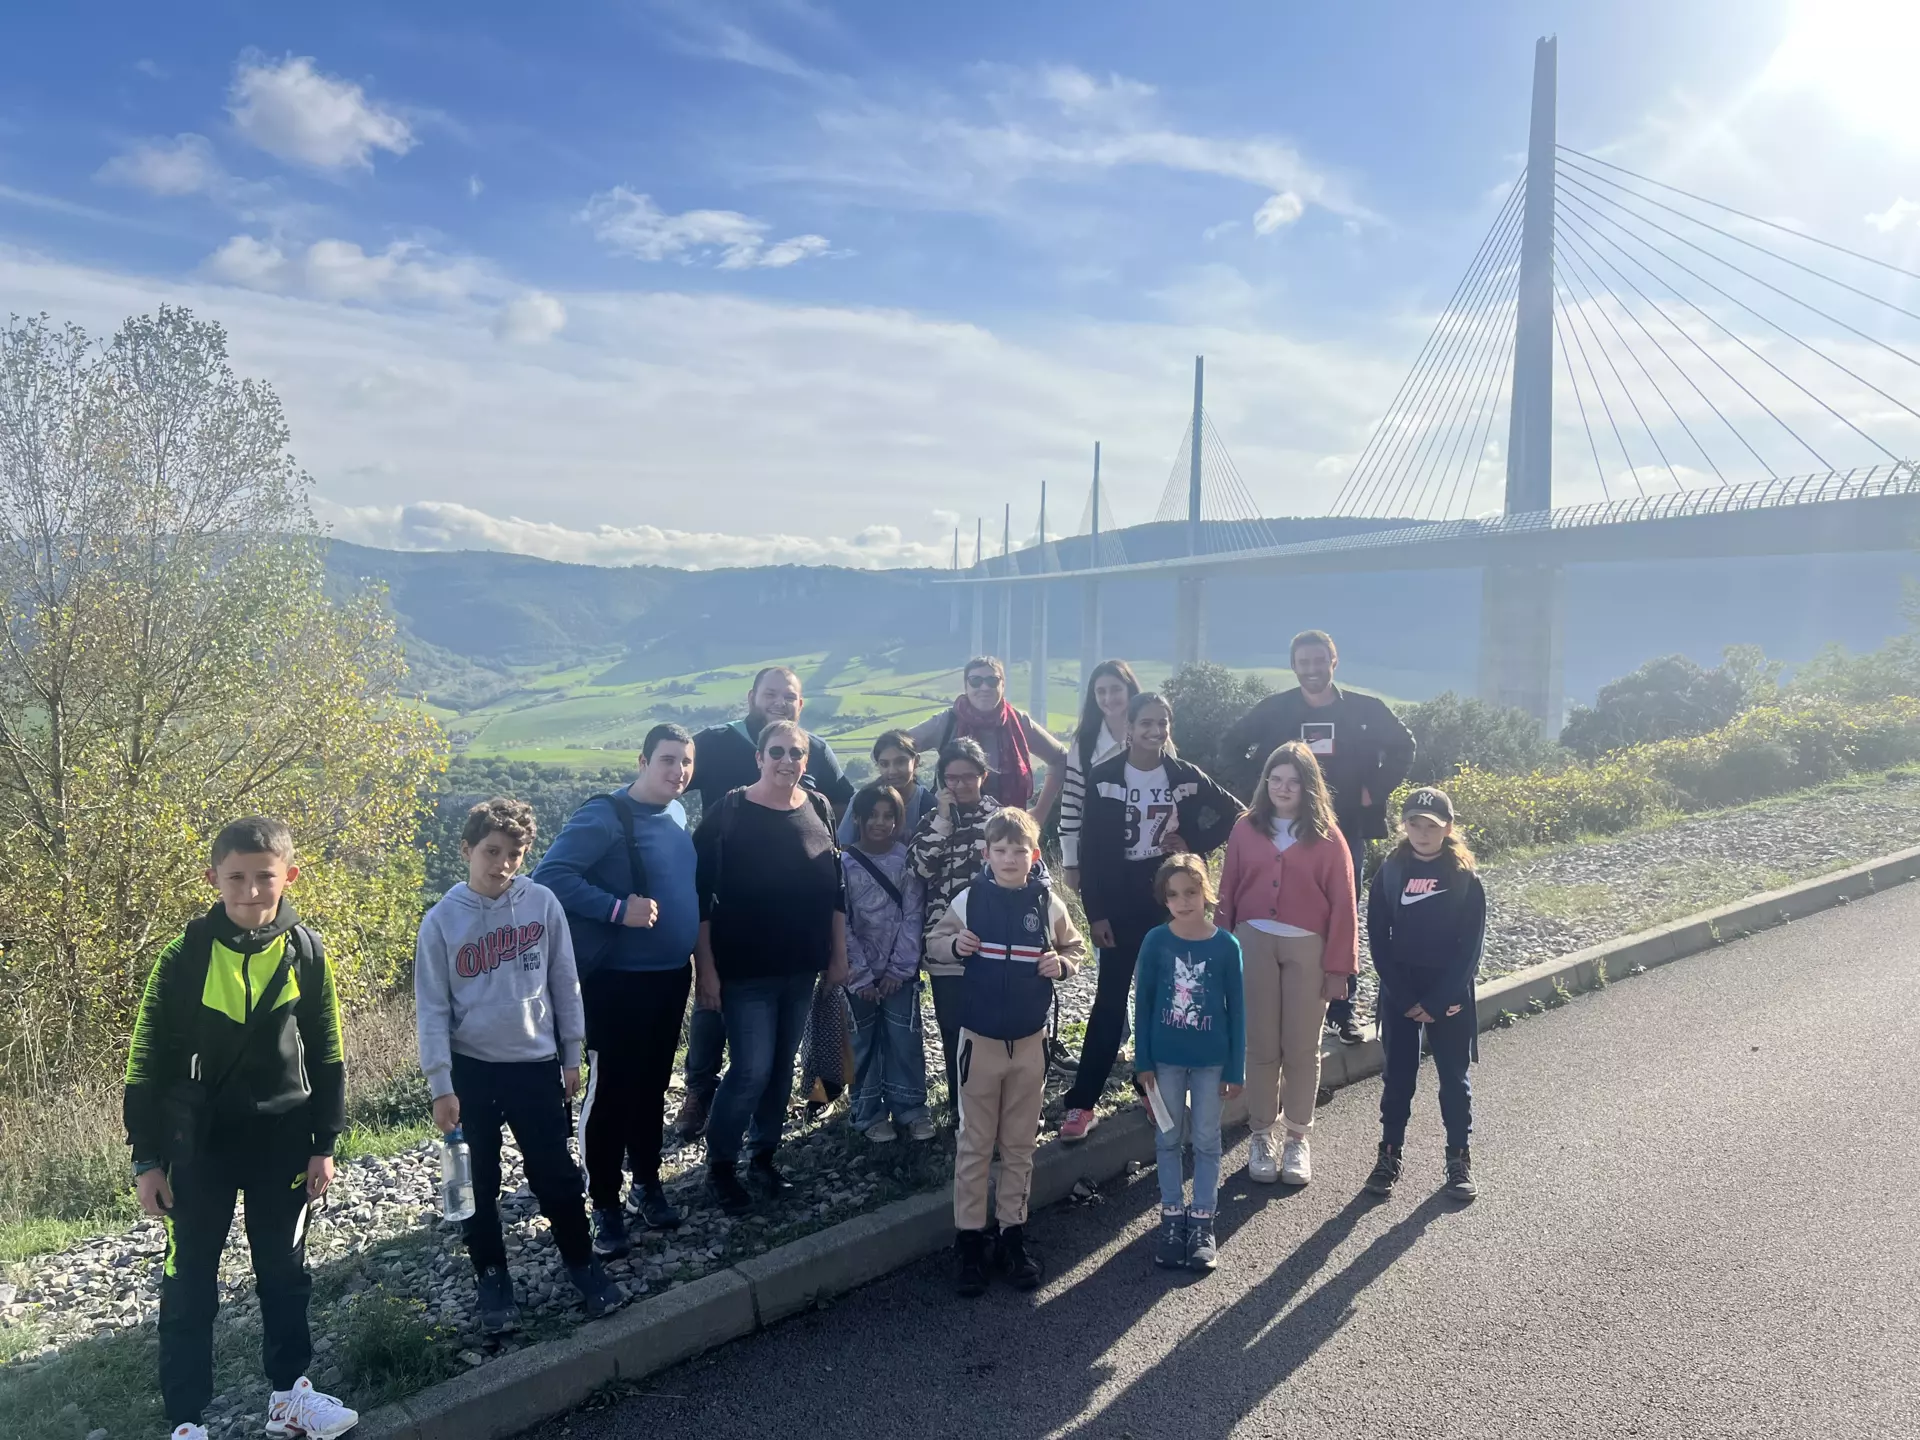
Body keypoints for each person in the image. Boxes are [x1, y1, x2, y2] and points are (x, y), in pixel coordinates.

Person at [123, 817, 359, 1440]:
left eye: (264, 877)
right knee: (189, 1281)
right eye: (235, 878)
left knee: (284, 1271)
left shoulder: (307, 951)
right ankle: (186, 1422)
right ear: (213, 878)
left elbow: (329, 1054)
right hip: (198, 1148)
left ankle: (289, 1397)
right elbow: (145, 1061)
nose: (250, 891)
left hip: (284, 1142)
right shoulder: (183, 956)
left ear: (290, 876)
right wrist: (146, 1159)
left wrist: (325, 1145)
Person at [415, 798, 624, 1332]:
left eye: (514, 853)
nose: (502, 863)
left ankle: (582, 1262)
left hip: (535, 1063)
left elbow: (564, 981)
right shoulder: (441, 922)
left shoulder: (542, 904)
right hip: (472, 1069)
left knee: (555, 1174)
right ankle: (492, 1277)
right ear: (466, 849)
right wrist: (440, 1084)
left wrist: (571, 1052)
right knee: (477, 1183)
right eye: (491, 851)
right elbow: (432, 1008)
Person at [533, 723, 701, 1254]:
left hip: (670, 977)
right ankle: (604, 1203)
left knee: (652, 1085)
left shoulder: (676, 814)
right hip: (617, 983)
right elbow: (549, 876)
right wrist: (614, 908)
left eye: (686, 762)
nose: (678, 771)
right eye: (667, 760)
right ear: (642, 761)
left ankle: (646, 1185)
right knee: (610, 1091)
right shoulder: (605, 815)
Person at [678, 666, 856, 1142]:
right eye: (770, 694)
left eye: (789, 696)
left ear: (801, 704)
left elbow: (845, 805)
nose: (780, 702)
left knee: (773, 1063)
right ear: (751, 697)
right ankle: (700, 1093)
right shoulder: (716, 745)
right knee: (724, 1029)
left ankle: (761, 1153)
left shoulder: (815, 761)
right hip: (735, 930)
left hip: (796, 953)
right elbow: (671, 780)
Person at [1219, 630, 1415, 1045]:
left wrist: (1375, 790)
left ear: (1334, 662)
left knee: (1342, 913)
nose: (1312, 669)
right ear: (1293, 666)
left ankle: (1342, 1011)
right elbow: (1230, 746)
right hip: (1280, 832)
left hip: (1344, 831)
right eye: (1303, 662)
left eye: (1319, 661)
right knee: (1284, 915)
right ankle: (1279, 1000)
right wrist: (1259, 793)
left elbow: (1404, 745)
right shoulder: (1274, 710)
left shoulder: (1365, 709)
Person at [1061, 692, 1242, 1141]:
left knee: (1164, 1000)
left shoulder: (1183, 773)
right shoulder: (1105, 776)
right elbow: (1091, 852)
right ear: (1129, 727)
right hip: (1119, 903)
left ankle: (1152, 1090)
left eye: (1162, 723)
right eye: (1146, 723)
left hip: (1167, 898)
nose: (1155, 731)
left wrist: (1193, 842)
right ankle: (1082, 1104)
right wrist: (1096, 913)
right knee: (1110, 1002)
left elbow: (1234, 812)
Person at [925, 808, 1085, 1296]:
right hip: (980, 1042)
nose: (1010, 858)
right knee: (975, 1144)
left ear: (1034, 855)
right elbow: (934, 944)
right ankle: (970, 1241)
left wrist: (1062, 964)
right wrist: (956, 945)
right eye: (1001, 850)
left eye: (1020, 850)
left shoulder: (1047, 901)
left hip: (1031, 1043)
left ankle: (1012, 1235)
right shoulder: (970, 899)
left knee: (1019, 1143)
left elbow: (1075, 949)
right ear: (986, 853)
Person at [695, 719, 849, 1216]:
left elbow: (836, 892)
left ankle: (763, 1157)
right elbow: (700, 899)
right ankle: (721, 1166)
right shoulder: (729, 812)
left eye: (796, 753)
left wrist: (838, 955)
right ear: (759, 758)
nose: (787, 761)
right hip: (745, 971)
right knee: (751, 1070)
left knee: (781, 1069)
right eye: (776, 752)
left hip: (801, 969)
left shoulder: (819, 808)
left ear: (807, 760)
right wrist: (705, 968)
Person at [1215, 741, 1359, 1188]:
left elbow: (1344, 904)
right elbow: (1228, 889)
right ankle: (1261, 1134)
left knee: (1301, 1048)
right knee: (1260, 1046)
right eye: (1275, 779)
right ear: (1265, 782)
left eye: (1293, 781)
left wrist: (1339, 968)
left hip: (1308, 949)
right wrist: (1219, 951)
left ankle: (1297, 1136)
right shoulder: (1245, 828)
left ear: (1309, 786)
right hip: (1252, 943)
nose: (1283, 788)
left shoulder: (1329, 836)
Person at [1363, 786, 1487, 1204]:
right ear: (1404, 826)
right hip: (1401, 991)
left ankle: (1458, 1159)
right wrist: (1402, 996)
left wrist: (1439, 999)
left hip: (1448, 993)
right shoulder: (1390, 872)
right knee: (1399, 1077)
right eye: (1414, 823)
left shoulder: (1464, 878)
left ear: (1448, 828)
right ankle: (1389, 1154)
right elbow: (1378, 939)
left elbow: (1471, 947)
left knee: (1453, 1078)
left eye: (1431, 825)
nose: (1422, 832)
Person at [1134, 854, 1244, 1274]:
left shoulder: (1226, 945)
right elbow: (1143, 1004)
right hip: (1164, 1061)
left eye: (1191, 892)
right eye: (1174, 894)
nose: (1183, 901)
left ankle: (1202, 1221)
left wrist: (1235, 1068)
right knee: (1167, 1139)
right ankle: (1171, 1218)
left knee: (1206, 1140)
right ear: (1164, 899)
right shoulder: (1155, 941)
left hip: (1211, 1062)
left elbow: (1238, 1012)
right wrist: (1143, 1060)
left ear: (1206, 892)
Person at [906, 738, 1023, 1118]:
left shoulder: (1003, 821)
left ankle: (999, 1106)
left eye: (968, 777)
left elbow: (1024, 872)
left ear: (983, 776)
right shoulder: (931, 820)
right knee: (954, 1031)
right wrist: (943, 819)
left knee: (997, 1029)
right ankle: (962, 1110)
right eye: (951, 778)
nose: (959, 785)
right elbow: (918, 868)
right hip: (946, 946)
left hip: (996, 946)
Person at [842, 782, 934, 1142]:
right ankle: (867, 1113)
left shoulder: (906, 861)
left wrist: (899, 969)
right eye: (872, 815)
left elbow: (914, 915)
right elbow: (841, 923)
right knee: (861, 1043)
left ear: (898, 819)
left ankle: (911, 1108)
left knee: (904, 1040)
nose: (880, 823)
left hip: (900, 974)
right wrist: (859, 974)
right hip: (858, 976)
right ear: (858, 818)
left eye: (888, 815)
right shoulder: (843, 864)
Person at [905, 655, 1068, 818]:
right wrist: (914, 794)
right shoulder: (947, 721)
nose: (984, 687)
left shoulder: (1018, 722)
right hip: (952, 823)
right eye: (975, 681)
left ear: (1002, 685)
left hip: (1007, 827)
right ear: (966, 686)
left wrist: (1040, 811)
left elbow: (1060, 757)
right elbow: (897, 746)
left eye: (992, 681)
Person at [1059, 659, 1141, 894]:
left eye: (1116, 689)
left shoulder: (1153, 733)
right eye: (1101, 691)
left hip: (1150, 853)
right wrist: (1070, 864)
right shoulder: (1084, 743)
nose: (1108, 698)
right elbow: (1071, 803)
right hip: (1099, 853)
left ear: (1129, 690)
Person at [837, 730, 934, 846]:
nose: (892, 771)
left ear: (916, 761)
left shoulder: (928, 805)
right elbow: (843, 845)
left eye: (900, 762)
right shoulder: (862, 800)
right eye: (884, 764)